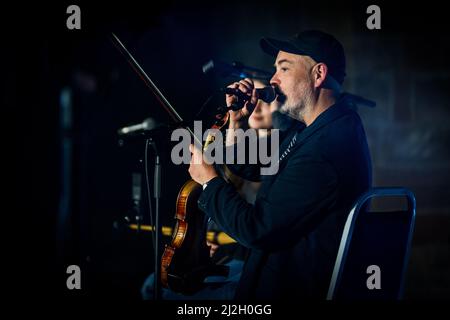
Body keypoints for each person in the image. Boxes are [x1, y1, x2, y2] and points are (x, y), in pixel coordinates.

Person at [188, 30, 372, 299]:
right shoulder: (319, 129)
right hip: (274, 276)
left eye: (284, 68)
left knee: (164, 293)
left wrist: (209, 182)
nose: (273, 80)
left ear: (318, 74)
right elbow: (259, 165)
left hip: (283, 288)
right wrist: (237, 124)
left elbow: (256, 230)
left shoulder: (326, 149)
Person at [141, 79, 287, 300]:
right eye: (251, 97)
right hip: (225, 252)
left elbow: (257, 222)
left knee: (162, 292)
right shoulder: (239, 145)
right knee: (154, 284)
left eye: (264, 98)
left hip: (249, 257)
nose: (256, 105)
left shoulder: (281, 151)